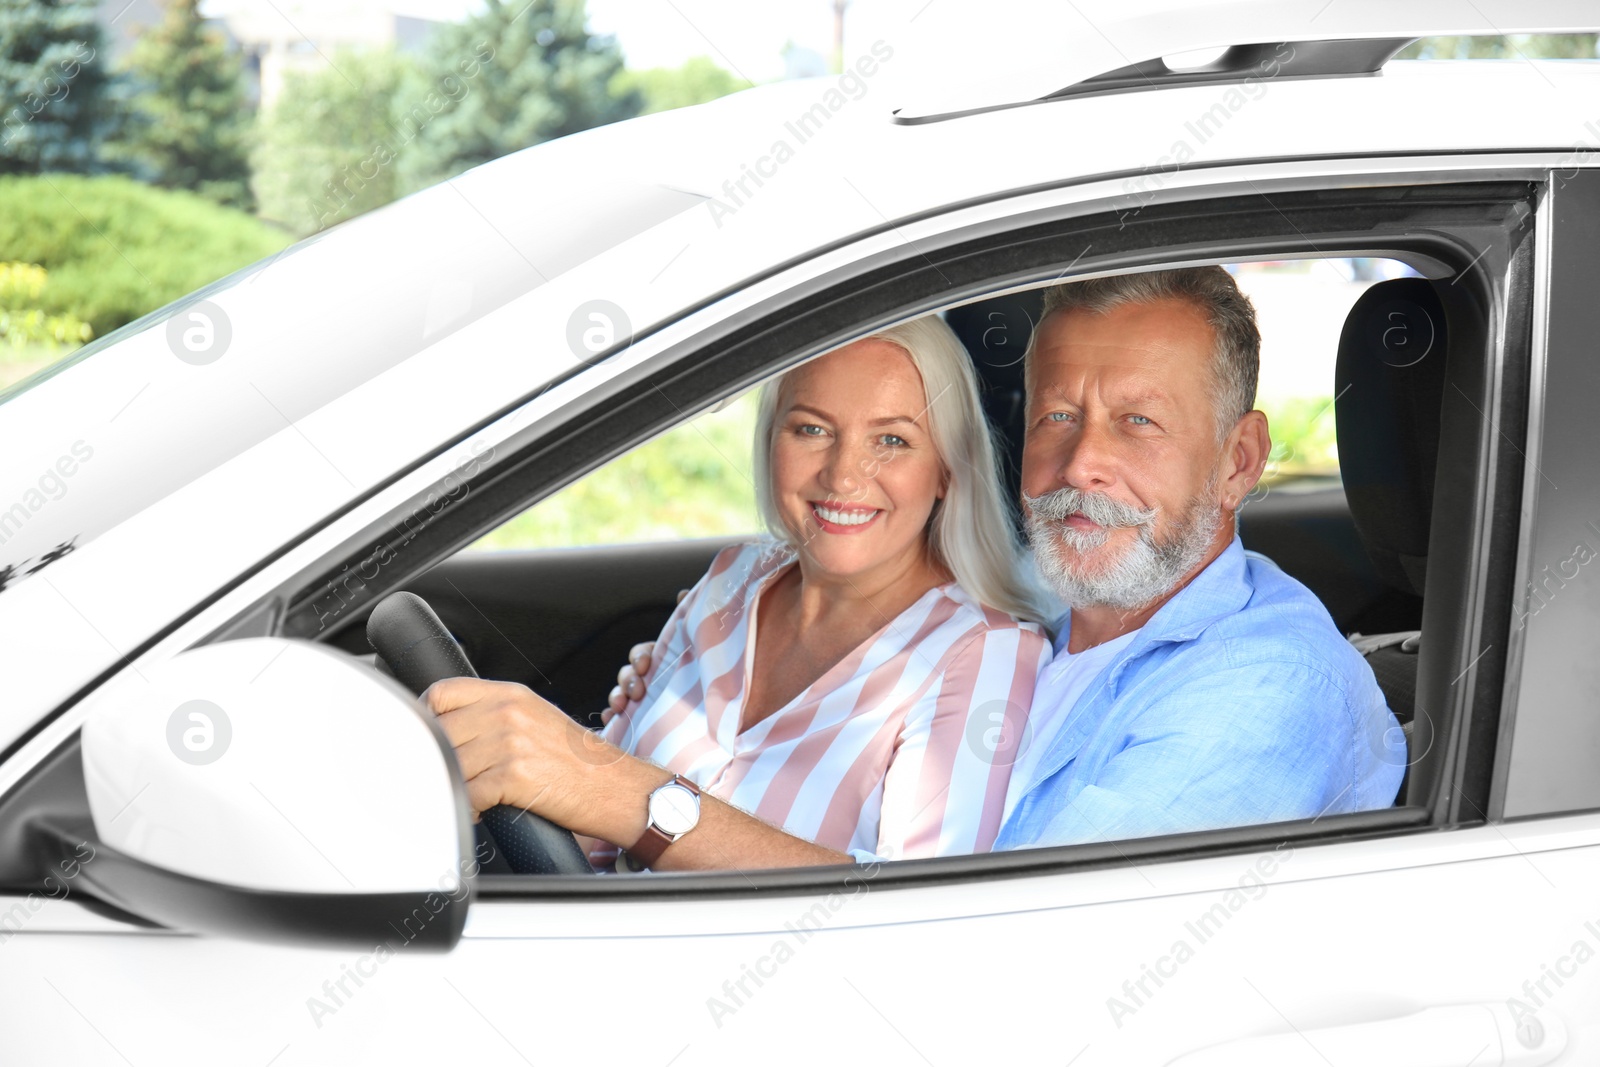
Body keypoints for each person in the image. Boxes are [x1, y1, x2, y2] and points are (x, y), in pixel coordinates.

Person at [614, 266, 1408, 854]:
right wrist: (675, 705)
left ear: (1239, 460)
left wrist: (618, 793)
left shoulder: (1265, 685)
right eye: (1058, 415)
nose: (1081, 462)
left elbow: (1011, 947)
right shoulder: (1042, 596)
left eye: (1137, 421)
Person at [425, 316, 1052, 871]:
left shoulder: (986, 655)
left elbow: (914, 913)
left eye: (892, 440)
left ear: (946, 469)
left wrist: (617, 789)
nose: (842, 475)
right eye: (811, 429)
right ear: (771, 439)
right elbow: (589, 843)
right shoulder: (734, 580)